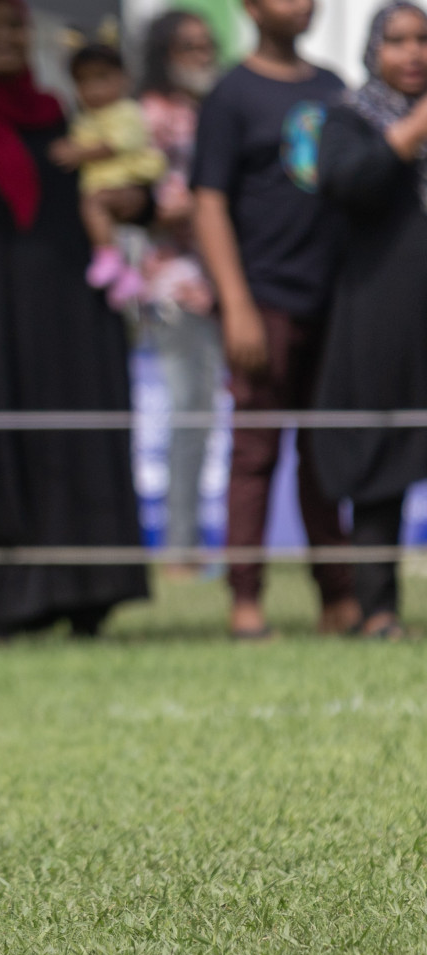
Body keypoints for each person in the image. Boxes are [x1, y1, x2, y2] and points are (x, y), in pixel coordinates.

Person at [0, 0, 148, 639]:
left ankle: (92, 594)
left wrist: (134, 200)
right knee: (2, 443)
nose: (7, 40)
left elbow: (115, 177)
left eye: (16, 27)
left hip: (74, 311)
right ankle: (14, 604)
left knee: (80, 440)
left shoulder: (56, 111)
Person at [191, 0, 358, 639]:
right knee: (255, 454)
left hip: (333, 303)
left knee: (327, 457)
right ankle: (245, 601)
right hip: (263, 301)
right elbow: (208, 205)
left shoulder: (332, 89)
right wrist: (236, 305)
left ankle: (338, 596)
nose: (302, 5)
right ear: (250, 8)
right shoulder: (230, 95)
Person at [315, 1, 427, 640]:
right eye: (398, 40)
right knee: (381, 463)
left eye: (423, 40)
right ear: (373, 50)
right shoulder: (347, 117)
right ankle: (377, 610)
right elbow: (346, 183)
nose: (413, 53)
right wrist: (410, 134)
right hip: (380, 318)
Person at [139, 10, 222, 574]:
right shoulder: (149, 115)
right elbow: (153, 205)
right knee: (189, 415)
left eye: (205, 45)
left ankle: (192, 542)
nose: (199, 55)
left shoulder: (214, 108)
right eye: (186, 46)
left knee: (205, 418)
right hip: (176, 289)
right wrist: (215, 206)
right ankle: (180, 549)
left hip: (226, 284)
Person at [52, 43, 166, 308]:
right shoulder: (84, 117)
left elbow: (119, 143)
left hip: (124, 183)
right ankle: (124, 275)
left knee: (95, 205)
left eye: (101, 77)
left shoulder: (126, 111)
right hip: (104, 188)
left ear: (123, 78)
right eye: (83, 81)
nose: (93, 88)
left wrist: (77, 153)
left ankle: (109, 258)